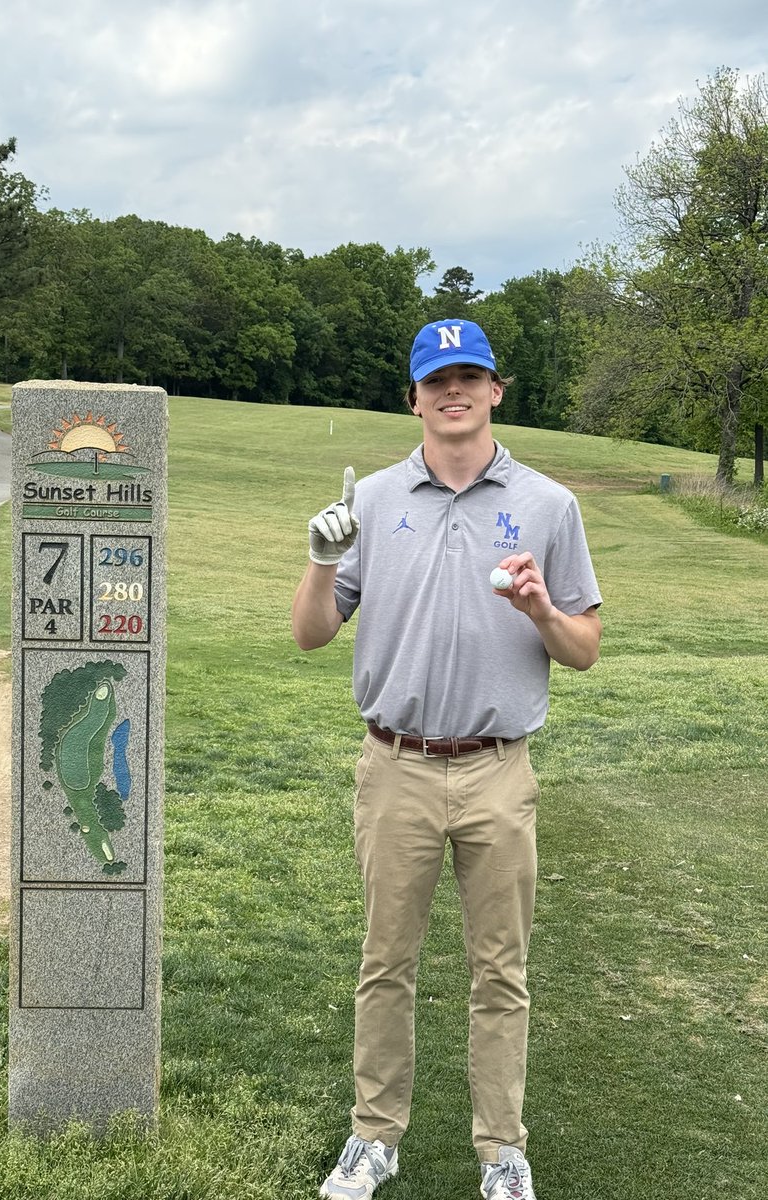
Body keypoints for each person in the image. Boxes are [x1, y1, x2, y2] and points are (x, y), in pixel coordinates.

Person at [291, 319, 602, 1200]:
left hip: (500, 768)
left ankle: (501, 1151)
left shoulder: (548, 505)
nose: (452, 392)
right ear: (414, 397)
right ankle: (373, 1138)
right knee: (386, 961)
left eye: (469, 376)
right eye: (436, 379)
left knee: (500, 969)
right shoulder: (377, 499)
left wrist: (542, 609)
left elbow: (584, 648)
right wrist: (322, 562)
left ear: (497, 389)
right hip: (396, 765)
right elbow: (311, 634)